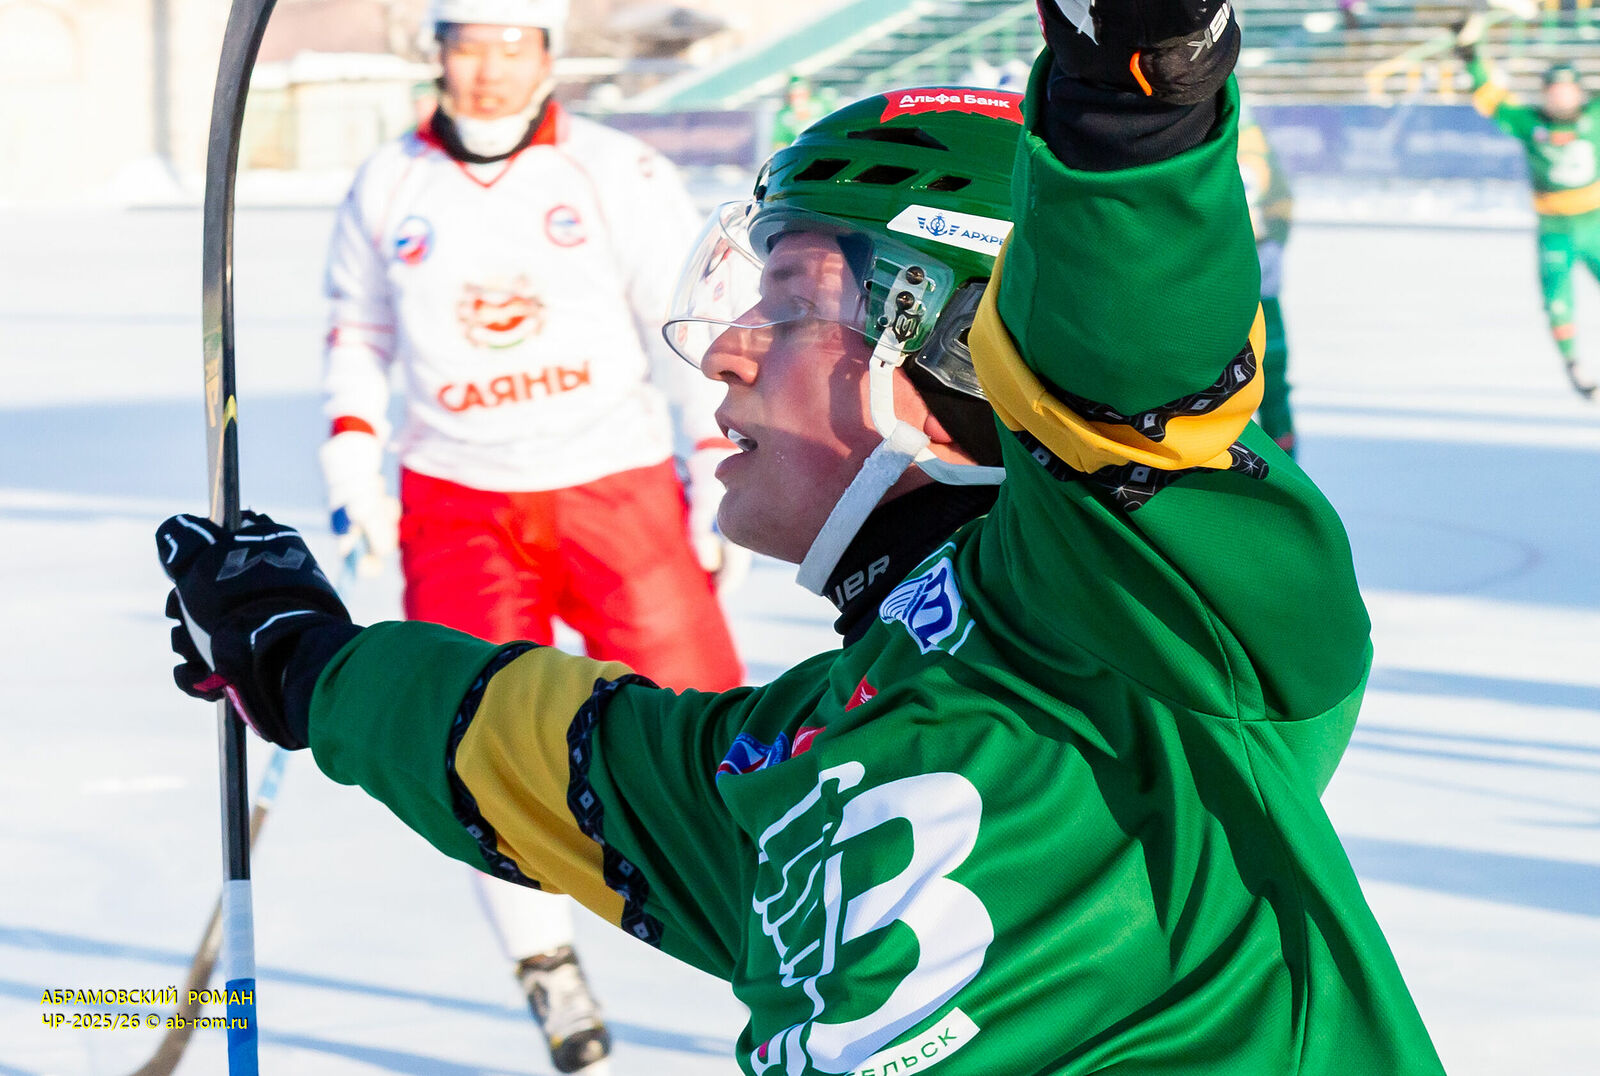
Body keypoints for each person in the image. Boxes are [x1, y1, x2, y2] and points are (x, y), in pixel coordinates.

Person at [157, 2, 1448, 1072]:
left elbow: (1131, 381)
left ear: (945, 332)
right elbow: (559, 757)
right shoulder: (791, 753)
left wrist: (1130, 111)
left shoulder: (1143, 627)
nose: (724, 350)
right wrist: (310, 660)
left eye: (783, 299)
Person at [316, 0, 746, 1068]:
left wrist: (713, 461)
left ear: (547, 55)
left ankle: (774, 931)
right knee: (475, 728)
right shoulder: (388, 183)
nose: (491, 71)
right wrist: (351, 456)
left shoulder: (611, 169)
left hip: (614, 483)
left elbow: (683, 325)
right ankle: (544, 962)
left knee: (709, 722)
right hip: (458, 497)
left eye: (513, 48)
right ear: (438, 52)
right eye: (470, 47)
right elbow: (357, 331)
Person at [1459, 15, 1600, 400]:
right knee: (1557, 302)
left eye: (1567, 91)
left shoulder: (1595, 117)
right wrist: (1469, 51)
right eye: (1555, 91)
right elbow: (1489, 96)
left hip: (1595, 224)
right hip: (1555, 229)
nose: (1561, 98)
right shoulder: (1529, 123)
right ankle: (1574, 365)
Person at [1237, 97, 1297, 454]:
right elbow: (1281, 196)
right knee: (1270, 365)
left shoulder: (1217, 119)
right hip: (1256, 250)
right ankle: (1284, 455)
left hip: (1231, 258)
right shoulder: (1243, 121)